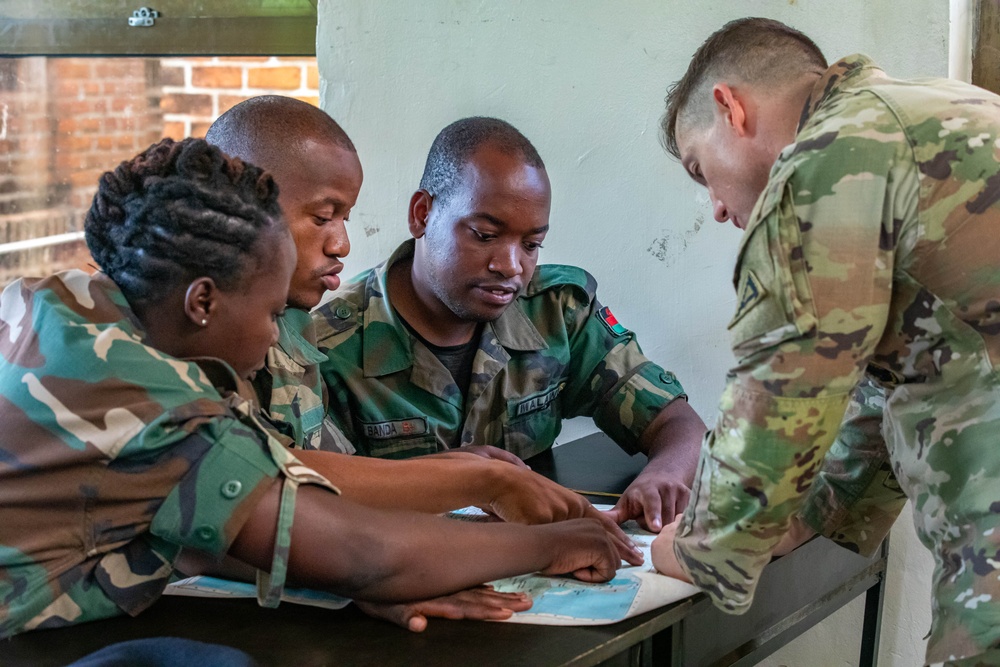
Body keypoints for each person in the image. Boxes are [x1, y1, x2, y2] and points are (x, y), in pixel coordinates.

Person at [0, 137, 633, 640]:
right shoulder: (160, 406)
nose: (280, 334)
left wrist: (353, 570)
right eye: (275, 314)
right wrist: (547, 545)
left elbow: (216, 507)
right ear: (203, 302)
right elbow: (363, 552)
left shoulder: (60, 303)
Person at [204, 98, 641, 631]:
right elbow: (239, 508)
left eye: (344, 217)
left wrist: (463, 476)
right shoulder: (158, 357)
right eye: (324, 216)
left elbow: (315, 496)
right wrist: (498, 506)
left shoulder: (285, 330)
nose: (343, 243)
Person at [649, 17, 1000, 667]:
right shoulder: (940, 111)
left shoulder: (829, 160)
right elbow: (885, 373)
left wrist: (700, 547)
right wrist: (800, 519)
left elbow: (787, 384)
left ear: (731, 108)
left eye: (701, 172)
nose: (719, 210)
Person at [312, 116, 706, 532]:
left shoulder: (556, 312)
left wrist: (664, 476)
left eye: (532, 244)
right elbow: (315, 507)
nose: (511, 266)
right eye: (484, 236)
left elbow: (676, 423)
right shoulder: (326, 347)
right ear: (423, 214)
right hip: (398, 569)